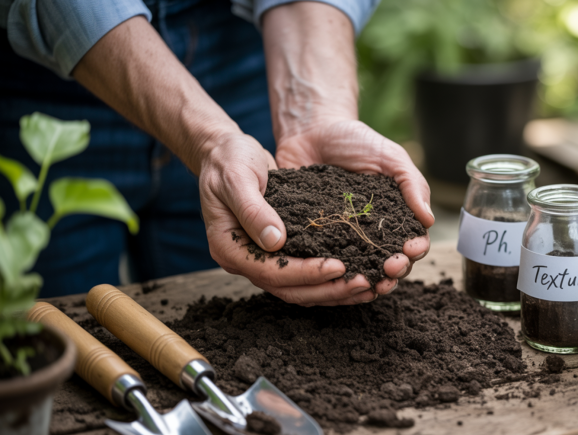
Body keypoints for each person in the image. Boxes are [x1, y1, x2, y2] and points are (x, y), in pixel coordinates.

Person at [0, 0, 433, 305]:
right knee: (61, 322)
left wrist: (315, 113)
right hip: (53, 76)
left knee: (222, 307)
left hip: (238, 42)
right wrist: (211, 141)